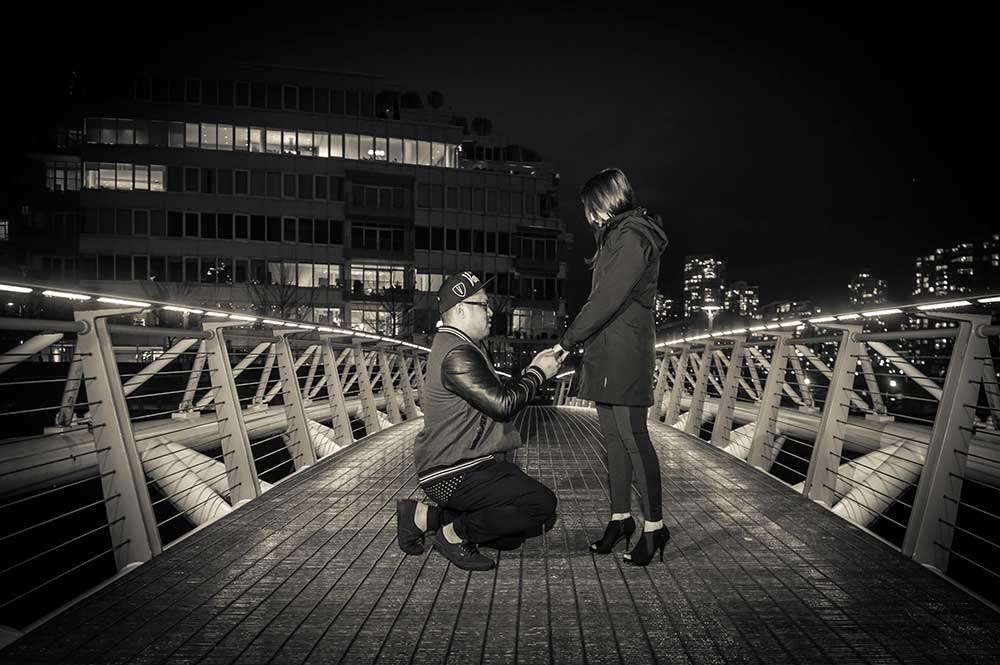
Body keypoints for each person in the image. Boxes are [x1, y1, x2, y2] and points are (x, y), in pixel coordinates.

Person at [396, 271, 564, 570]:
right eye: (483, 305)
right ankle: (451, 535)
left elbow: (495, 394)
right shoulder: (457, 354)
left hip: (469, 462)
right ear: (460, 309)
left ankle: (423, 517)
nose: (490, 312)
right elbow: (502, 406)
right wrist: (538, 374)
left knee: (509, 537)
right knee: (540, 505)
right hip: (452, 471)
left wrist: (532, 370)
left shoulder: (460, 346)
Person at [551, 168, 670, 566]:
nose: (588, 216)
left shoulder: (633, 237)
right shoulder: (616, 237)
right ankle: (621, 519)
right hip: (607, 352)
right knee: (615, 441)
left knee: (633, 437)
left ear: (606, 200)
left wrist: (564, 344)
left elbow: (605, 301)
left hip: (625, 352)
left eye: (591, 207)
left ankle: (654, 527)